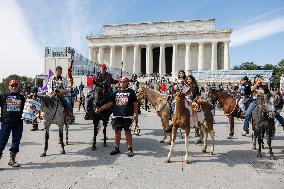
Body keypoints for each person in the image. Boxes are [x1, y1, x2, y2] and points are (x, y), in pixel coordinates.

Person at [95, 77, 139, 157]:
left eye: (123, 81)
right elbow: (110, 103)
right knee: (117, 132)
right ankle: (116, 148)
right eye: (120, 81)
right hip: (117, 115)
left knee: (127, 132)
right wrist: (100, 109)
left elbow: (135, 104)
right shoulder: (115, 93)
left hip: (127, 116)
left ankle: (130, 149)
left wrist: (136, 114)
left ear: (127, 83)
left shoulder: (131, 92)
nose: (121, 83)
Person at [0, 80, 25, 167]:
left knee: (16, 142)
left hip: (18, 123)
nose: (14, 87)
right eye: (12, 85)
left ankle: (12, 160)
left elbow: (25, 109)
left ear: (18, 87)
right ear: (9, 86)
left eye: (16, 85)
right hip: (6, 122)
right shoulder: (3, 96)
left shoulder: (21, 97)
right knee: (1, 141)